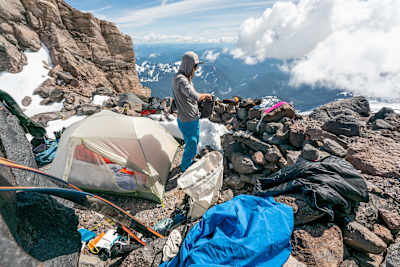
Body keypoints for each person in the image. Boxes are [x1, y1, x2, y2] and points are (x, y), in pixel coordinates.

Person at [173, 51, 212, 172]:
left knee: (192, 141)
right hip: (188, 119)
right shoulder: (182, 81)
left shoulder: (180, 77)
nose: (196, 69)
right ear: (189, 65)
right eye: (195, 66)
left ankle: (189, 160)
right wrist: (205, 95)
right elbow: (194, 96)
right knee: (191, 143)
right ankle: (185, 168)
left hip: (187, 117)